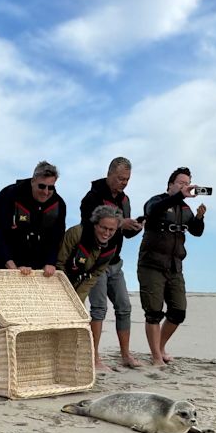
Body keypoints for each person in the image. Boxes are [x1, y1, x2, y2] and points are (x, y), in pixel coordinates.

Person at [136, 167, 206, 366]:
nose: (185, 186)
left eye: (187, 183)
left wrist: (200, 218)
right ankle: (157, 357)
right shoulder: (157, 201)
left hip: (175, 266)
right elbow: (151, 211)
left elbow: (196, 232)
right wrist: (176, 198)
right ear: (170, 185)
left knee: (178, 311)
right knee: (153, 312)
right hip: (152, 264)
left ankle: (160, 347)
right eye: (181, 183)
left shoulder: (185, 209)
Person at [79, 158, 142, 369]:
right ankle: (94, 358)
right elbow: (87, 227)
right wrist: (120, 222)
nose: (123, 183)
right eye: (120, 178)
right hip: (96, 262)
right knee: (99, 309)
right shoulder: (93, 196)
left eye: (127, 179)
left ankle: (125, 355)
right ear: (109, 174)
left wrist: (133, 227)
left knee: (124, 307)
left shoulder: (125, 200)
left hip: (116, 262)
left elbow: (122, 233)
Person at [0, 161, 65, 276]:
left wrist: (50, 262)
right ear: (33, 181)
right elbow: (0, 232)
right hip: (5, 256)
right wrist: (10, 264)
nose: (46, 192)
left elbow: (56, 237)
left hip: (35, 261)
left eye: (51, 187)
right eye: (42, 186)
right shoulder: (8, 195)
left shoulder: (59, 204)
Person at [57, 205, 123, 303]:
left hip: (81, 282)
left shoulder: (112, 246)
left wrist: (78, 299)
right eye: (103, 228)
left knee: (78, 309)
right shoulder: (76, 233)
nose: (106, 233)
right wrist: (66, 292)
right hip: (59, 280)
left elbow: (95, 274)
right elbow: (59, 263)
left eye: (111, 230)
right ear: (95, 224)